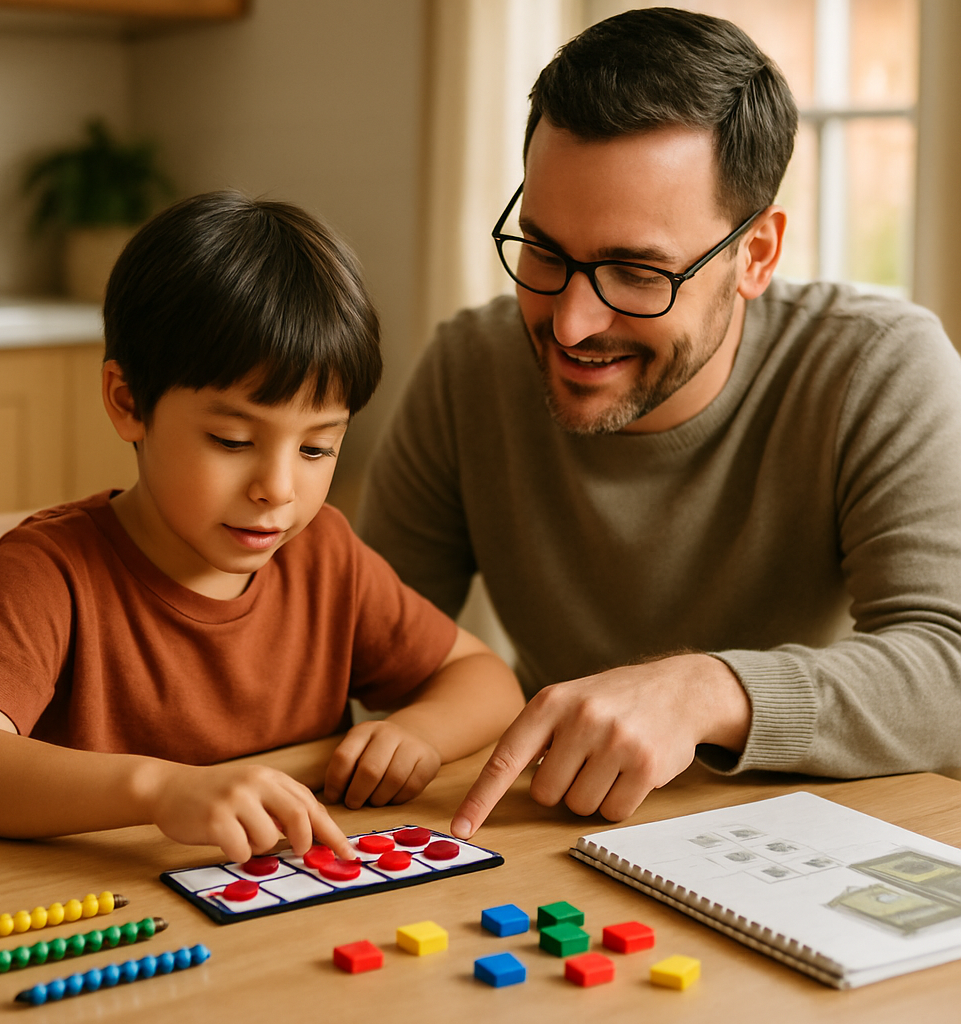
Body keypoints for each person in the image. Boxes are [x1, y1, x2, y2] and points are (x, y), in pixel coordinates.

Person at [356, 7, 961, 841]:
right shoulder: (468, 367)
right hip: (554, 840)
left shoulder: (878, 365)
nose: (569, 323)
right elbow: (367, 655)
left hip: (799, 843)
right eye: (544, 251)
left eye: (636, 272)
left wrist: (707, 691)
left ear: (756, 257)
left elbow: (951, 667)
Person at [0, 191, 524, 863]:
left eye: (316, 449)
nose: (277, 488)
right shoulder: (51, 570)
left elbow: (485, 678)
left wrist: (419, 732)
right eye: (232, 440)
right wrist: (160, 789)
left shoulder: (325, 555)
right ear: (129, 403)